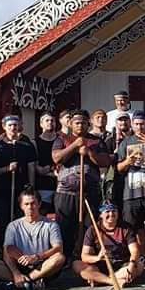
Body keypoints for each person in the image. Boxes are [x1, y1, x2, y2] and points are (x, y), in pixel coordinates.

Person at [0, 188, 66, 290]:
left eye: (33, 203)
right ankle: (24, 282)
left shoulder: (51, 225)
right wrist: (16, 273)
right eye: (26, 204)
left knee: (59, 258)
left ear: (39, 204)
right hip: (19, 264)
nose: (30, 207)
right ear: (21, 206)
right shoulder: (13, 226)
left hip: (41, 265)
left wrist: (37, 257)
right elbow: (7, 251)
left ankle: (25, 282)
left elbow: (58, 248)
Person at [52, 110, 112, 258]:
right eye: (77, 123)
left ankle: (86, 256)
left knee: (89, 226)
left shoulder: (96, 141)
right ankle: (64, 258)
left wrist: (90, 153)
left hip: (89, 191)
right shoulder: (62, 139)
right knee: (65, 226)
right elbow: (56, 158)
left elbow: (105, 162)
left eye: (83, 123)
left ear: (88, 124)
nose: (80, 125)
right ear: (71, 124)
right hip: (66, 192)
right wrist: (74, 146)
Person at [0, 115, 37, 243]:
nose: (13, 128)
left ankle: (21, 245)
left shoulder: (26, 145)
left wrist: (31, 186)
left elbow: (31, 166)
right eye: (10, 125)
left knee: (21, 218)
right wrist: (7, 169)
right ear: (4, 127)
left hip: (21, 188)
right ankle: (2, 246)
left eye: (15, 125)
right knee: (3, 219)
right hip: (3, 189)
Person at [76, 201, 142, 288]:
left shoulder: (126, 228)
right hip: (100, 266)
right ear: (101, 215)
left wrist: (131, 265)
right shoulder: (92, 229)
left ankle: (99, 279)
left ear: (118, 213)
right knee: (77, 265)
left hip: (121, 265)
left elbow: (134, 251)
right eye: (107, 211)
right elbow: (84, 256)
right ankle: (112, 281)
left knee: (138, 266)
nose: (111, 214)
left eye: (114, 211)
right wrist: (98, 258)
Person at [115, 110, 145, 248]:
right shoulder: (125, 142)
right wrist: (127, 162)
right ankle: (140, 255)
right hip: (131, 193)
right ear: (132, 124)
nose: (139, 127)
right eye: (136, 124)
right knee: (133, 227)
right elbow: (119, 168)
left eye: (142, 124)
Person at [34, 111, 59, 214]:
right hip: (42, 186)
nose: (50, 122)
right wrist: (50, 169)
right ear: (41, 124)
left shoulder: (61, 141)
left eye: (52, 120)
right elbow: (37, 168)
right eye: (47, 120)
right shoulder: (35, 142)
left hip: (60, 186)